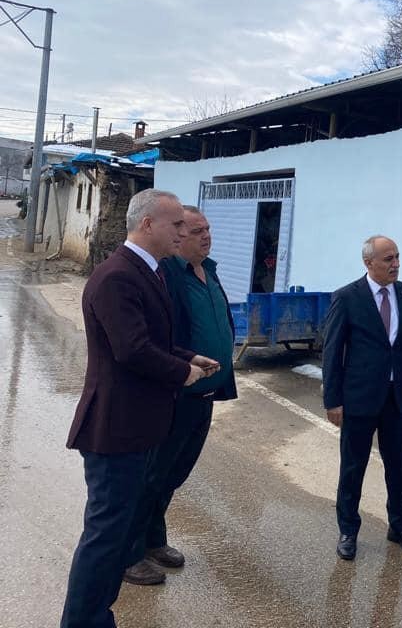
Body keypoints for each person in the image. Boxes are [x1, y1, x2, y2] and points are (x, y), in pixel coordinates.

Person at [60, 189, 219, 628]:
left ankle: (96, 615)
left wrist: (187, 356)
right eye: (176, 226)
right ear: (147, 224)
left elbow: (153, 337)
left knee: (117, 531)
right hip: (115, 429)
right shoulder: (117, 276)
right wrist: (180, 374)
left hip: (139, 427)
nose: (184, 232)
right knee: (106, 536)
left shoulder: (151, 272)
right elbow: (131, 350)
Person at [122, 206, 238, 586]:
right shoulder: (168, 273)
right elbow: (155, 337)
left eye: (208, 229)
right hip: (177, 392)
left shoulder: (212, 270)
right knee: (152, 475)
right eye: (195, 230)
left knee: (173, 474)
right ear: (178, 236)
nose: (206, 236)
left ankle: (154, 541)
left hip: (205, 393)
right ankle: (129, 553)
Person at [321, 235, 402, 561]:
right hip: (359, 398)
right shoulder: (347, 298)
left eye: (397, 257)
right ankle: (348, 531)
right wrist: (333, 399)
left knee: (398, 466)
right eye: (388, 259)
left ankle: (399, 527)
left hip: (398, 399)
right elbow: (332, 351)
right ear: (369, 263)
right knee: (353, 467)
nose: (395, 264)